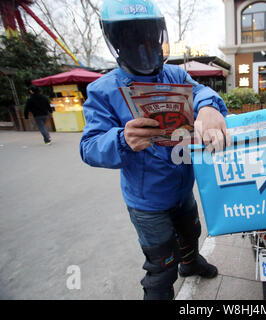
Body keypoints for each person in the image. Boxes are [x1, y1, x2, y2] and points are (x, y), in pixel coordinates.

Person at [79, 0, 230, 300]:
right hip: (147, 201)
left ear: (160, 35)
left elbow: (201, 91)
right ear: (116, 41)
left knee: (191, 234)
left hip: (182, 187)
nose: (145, 44)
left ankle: (192, 262)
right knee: (162, 264)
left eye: (150, 35)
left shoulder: (174, 75)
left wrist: (210, 107)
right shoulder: (104, 90)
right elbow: (89, 146)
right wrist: (121, 139)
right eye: (132, 36)